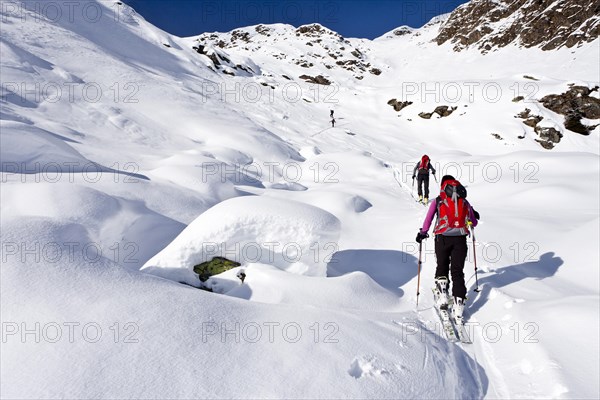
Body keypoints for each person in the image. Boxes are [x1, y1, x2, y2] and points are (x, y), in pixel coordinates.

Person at [415, 175, 480, 321]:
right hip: (461, 239)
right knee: (457, 271)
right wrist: (473, 215)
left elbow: (429, 219)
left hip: (442, 238)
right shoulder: (464, 200)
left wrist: (422, 233)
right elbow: (473, 222)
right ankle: (459, 306)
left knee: (442, 265)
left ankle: (443, 295)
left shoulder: (439, 200)